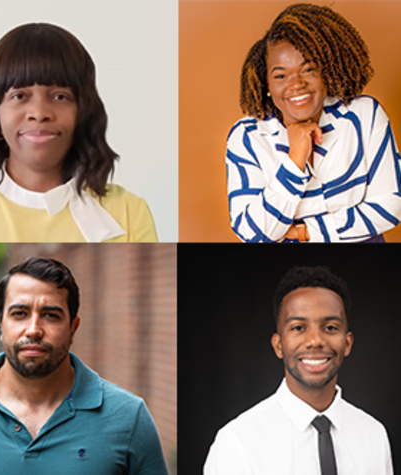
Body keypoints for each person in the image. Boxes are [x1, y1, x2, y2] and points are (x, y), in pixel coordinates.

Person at [0, 257, 167, 474]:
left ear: (72, 328)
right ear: (2, 324)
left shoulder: (129, 417)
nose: (33, 330)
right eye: (19, 314)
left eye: (50, 315)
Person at [0, 23, 157, 243]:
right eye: (19, 96)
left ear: (83, 110)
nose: (39, 113)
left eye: (60, 96)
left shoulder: (128, 212)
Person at [226, 4, 401, 242]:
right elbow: (252, 233)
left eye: (308, 70)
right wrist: (294, 161)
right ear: (267, 84)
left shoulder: (364, 115)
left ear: (326, 72)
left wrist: (304, 232)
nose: (296, 84)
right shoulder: (247, 136)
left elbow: (391, 205)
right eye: (280, 76)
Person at [204, 266, 392, 474]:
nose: (315, 341)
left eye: (330, 327)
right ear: (278, 345)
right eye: (298, 328)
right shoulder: (237, 443)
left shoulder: (374, 435)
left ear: (347, 344)